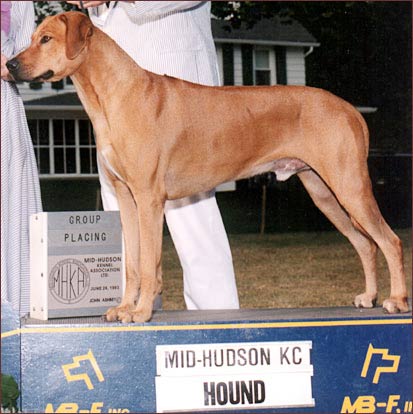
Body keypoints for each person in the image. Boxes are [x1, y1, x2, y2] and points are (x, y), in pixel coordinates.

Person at [66, 1, 240, 310]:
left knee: (192, 218)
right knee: (120, 210)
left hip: (172, 70)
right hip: (109, 82)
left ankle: (218, 327)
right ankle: (137, 315)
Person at [1, 1, 42, 317]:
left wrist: (14, 67)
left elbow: (26, 60)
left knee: (11, 200)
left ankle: (14, 308)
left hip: (6, 106)